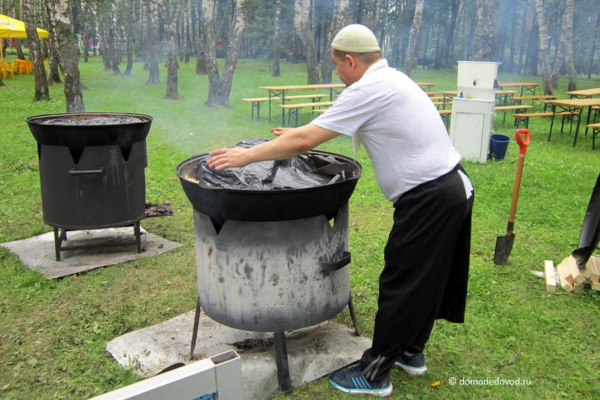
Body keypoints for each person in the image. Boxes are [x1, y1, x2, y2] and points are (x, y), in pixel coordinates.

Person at [208, 24, 474, 398]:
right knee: (427, 278)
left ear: (351, 61)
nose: (335, 72)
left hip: (431, 197)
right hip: (452, 187)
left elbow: (307, 139)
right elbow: (324, 127)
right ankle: (411, 351)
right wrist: (298, 134)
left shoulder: (369, 88)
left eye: (336, 65)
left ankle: (375, 372)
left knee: (404, 279)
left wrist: (246, 155)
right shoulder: (390, 79)